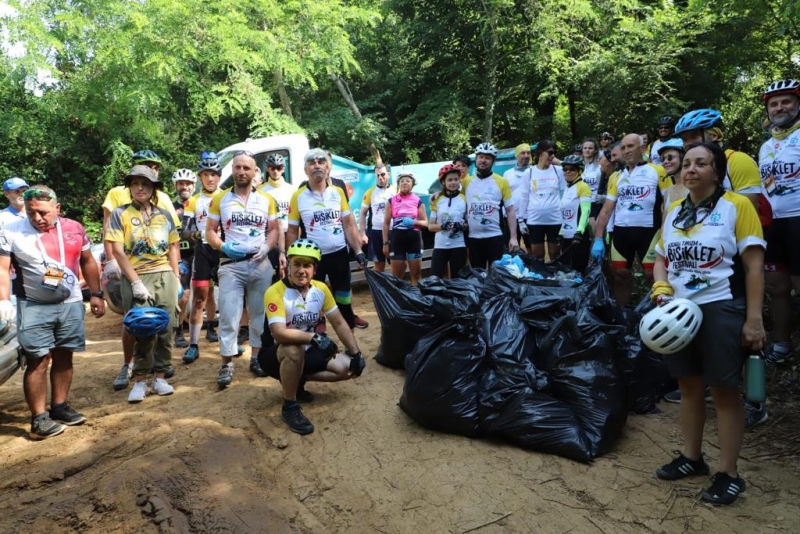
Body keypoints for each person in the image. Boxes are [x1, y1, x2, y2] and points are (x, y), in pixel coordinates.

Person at [652, 142, 765, 506]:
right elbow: (660, 259)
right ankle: (692, 458)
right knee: (688, 387)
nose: (691, 169)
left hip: (722, 309)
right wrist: (661, 286)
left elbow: (754, 266)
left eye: (701, 163)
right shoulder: (673, 211)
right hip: (680, 313)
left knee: (724, 392)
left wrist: (753, 319)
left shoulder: (737, 206)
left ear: (717, 171)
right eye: (686, 164)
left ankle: (729, 474)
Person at [0, 185, 104, 439]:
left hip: (70, 302)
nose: (37, 218)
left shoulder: (74, 228)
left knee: (64, 355)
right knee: (38, 360)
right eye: (32, 213)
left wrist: (97, 294)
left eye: (44, 213)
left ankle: (59, 407)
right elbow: (2, 268)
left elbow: (88, 261)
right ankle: (39, 418)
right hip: (33, 304)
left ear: (57, 208)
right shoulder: (10, 231)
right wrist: (3, 301)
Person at [258, 239, 365, 435]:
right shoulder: (275, 292)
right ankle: (289, 406)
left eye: (307, 265)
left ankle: (296, 380)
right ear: (288, 266)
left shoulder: (321, 289)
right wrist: (314, 337)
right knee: (293, 348)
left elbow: (339, 322)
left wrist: (356, 353)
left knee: (349, 368)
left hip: (307, 350)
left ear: (315, 269)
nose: (301, 270)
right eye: (296, 264)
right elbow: (280, 333)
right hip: (275, 354)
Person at [104, 150, 180, 391]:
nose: (140, 188)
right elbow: (117, 249)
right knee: (142, 327)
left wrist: (176, 278)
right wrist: (135, 281)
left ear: (153, 188)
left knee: (168, 327)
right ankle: (139, 379)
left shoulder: (165, 214)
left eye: (145, 184)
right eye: (135, 183)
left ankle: (160, 377)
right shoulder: (120, 214)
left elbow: (173, 247)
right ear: (129, 187)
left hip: (164, 274)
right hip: (135, 276)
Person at [205, 150, 280, 387]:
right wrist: (223, 246)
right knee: (229, 315)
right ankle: (226, 364)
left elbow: (275, 229)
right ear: (233, 170)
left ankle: (256, 358)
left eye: (246, 168)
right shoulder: (220, 199)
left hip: (260, 264)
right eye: (237, 167)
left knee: (259, 314)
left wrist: (268, 248)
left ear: (255, 171)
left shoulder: (267, 200)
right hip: (231, 266)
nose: (241, 172)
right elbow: (209, 231)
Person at [591, 134, 669, 305]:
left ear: (642, 149)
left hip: (649, 232)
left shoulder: (658, 171)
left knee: (653, 276)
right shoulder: (617, 177)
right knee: (620, 276)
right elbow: (606, 210)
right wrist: (598, 238)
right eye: (624, 147)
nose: (626, 151)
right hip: (621, 233)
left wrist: (667, 232)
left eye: (631, 146)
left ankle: (658, 314)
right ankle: (623, 316)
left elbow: (669, 205)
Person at [759, 79, 800, 367]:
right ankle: (782, 345)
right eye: (774, 104)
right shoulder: (766, 146)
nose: (779, 107)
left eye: (785, 101)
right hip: (774, 225)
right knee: (777, 288)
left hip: (799, 220)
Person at [674, 109, 761, 210]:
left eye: (695, 136)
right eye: (684, 139)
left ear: (714, 135)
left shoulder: (738, 160)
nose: (688, 143)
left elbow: (748, 211)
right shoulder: (689, 168)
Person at [181, 153, 222, 363]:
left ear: (219, 176)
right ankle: (193, 345)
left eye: (214, 174)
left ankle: (221, 336)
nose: (210, 179)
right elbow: (185, 231)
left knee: (229, 298)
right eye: (206, 174)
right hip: (203, 251)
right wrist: (197, 234)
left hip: (224, 252)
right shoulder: (193, 201)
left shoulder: (227, 196)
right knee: (200, 298)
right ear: (201, 177)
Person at [463, 142, 519, 269]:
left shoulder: (502, 181)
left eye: (487, 158)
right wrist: (439, 192)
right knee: (478, 274)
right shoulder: (466, 182)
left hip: (495, 236)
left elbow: (510, 211)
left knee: (497, 275)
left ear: (493, 161)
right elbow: (453, 196)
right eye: (481, 157)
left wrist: (514, 238)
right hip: (473, 237)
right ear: (476, 159)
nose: (483, 160)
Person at [517, 140, 566, 261]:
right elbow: (524, 197)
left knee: (554, 253)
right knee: (537, 255)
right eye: (549, 153)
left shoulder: (558, 170)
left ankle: (556, 278)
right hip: (535, 220)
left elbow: (565, 193)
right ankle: (540, 278)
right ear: (540, 152)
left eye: (554, 153)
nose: (552, 156)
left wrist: (566, 217)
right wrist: (521, 219)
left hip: (555, 219)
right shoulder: (529, 172)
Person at [382, 172, 428, 285]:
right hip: (397, 241)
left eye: (408, 181)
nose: (404, 183)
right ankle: (398, 301)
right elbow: (386, 224)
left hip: (414, 240)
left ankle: (417, 301)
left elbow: (426, 223)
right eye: (402, 181)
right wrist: (385, 243)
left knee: (416, 275)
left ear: (412, 184)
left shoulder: (418, 201)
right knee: (397, 278)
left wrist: (414, 222)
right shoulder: (391, 201)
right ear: (398, 184)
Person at [259, 153, 296, 281]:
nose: (275, 171)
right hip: (272, 234)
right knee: (274, 273)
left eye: (279, 168)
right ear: (267, 169)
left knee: (290, 271)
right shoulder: (261, 190)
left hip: (290, 233)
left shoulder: (292, 190)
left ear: (283, 169)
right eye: (272, 168)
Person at [171, 168, 197, 349]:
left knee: (207, 294)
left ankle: (211, 327)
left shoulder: (201, 203)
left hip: (200, 253)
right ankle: (178, 330)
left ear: (194, 185)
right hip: (181, 256)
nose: (184, 186)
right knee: (183, 295)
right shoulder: (170, 206)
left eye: (187, 183)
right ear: (175, 186)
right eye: (181, 183)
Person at [429, 164, 468, 279]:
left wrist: (461, 226)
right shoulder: (437, 199)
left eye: (456, 179)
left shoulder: (464, 199)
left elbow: (469, 223)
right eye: (450, 180)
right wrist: (443, 226)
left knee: (459, 280)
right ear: (443, 182)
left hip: (459, 245)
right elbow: (430, 227)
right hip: (440, 245)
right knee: (435, 278)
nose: (453, 182)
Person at [359, 163, 395, 273]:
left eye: (383, 174)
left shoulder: (396, 190)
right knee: (379, 268)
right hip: (376, 233)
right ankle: (381, 290)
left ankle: (395, 289)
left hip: (393, 231)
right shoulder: (370, 192)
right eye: (377, 175)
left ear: (388, 175)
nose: (380, 177)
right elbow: (362, 214)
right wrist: (362, 234)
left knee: (396, 265)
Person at [558, 155, 592, 272]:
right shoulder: (567, 188)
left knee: (579, 271)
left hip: (578, 236)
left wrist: (580, 232)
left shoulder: (583, 187)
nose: (567, 172)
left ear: (579, 171)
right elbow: (565, 214)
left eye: (572, 169)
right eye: (565, 169)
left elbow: (586, 211)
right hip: (567, 235)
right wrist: (561, 232)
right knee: (567, 270)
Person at [502, 144, 532, 250]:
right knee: (512, 247)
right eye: (522, 153)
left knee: (532, 246)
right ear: (517, 155)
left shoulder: (534, 171)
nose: (526, 155)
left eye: (528, 153)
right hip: (511, 217)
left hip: (530, 216)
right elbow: (504, 195)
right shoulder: (507, 174)